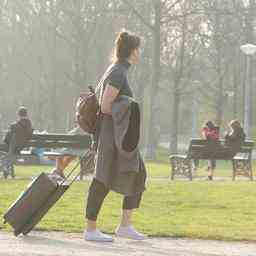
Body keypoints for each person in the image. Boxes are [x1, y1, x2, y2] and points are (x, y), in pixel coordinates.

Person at [84, 30, 147, 242]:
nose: (140, 53)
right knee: (102, 178)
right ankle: (90, 229)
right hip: (111, 136)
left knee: (138, 173)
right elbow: (105, 106)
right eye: (139, 49)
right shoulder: (118, 72)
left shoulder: (118, 70)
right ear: (133, 51)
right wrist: (130, 108)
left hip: (118, 135)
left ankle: (125, 226)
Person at [3, 106, 33, 178]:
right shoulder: (29, 125)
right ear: (26, 114)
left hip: (13, 147)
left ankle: (5, 168)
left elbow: (6, 139)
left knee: (8, 151)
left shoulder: (14, 125)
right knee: (10, 151)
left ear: (18, 114)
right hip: (21, 147)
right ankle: (6, 168)